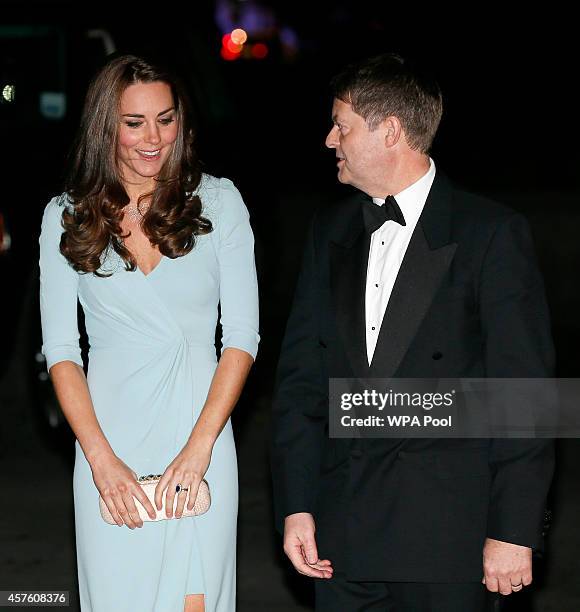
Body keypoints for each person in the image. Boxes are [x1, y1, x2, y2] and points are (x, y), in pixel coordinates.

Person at [271, 53, 554, 611]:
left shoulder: (491, 235)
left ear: (391, 132)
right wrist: (297, 503)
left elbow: (526, 399)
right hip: (340, 537)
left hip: (448, 540)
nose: (330, 140)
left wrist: (514, 530)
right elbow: (301, 383)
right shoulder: (329, 231)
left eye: (342, 126)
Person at [39, 54, 259, 612]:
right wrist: (101, 460)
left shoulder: (220, 202)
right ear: (104, 126)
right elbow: (63, 352)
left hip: (201, 436)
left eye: (165, 118)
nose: (152, 138)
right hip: (107, 444)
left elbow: (242, 336)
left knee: (196, 601)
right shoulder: (66, 216)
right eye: (133, 122)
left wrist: (200, 448)